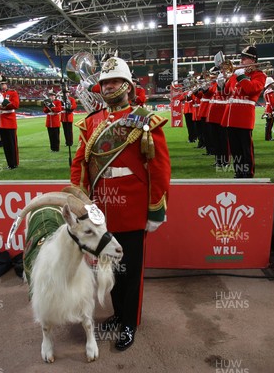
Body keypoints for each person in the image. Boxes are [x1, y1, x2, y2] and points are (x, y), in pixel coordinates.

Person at [70, 56, 170, 351]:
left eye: (115, 81)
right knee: (109, 268)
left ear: (127, 85)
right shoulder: (91, 122)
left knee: (130, 268)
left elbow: (159, 168)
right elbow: (80, 165)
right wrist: (80, 201)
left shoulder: (144, 119)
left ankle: (130, 322)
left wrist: (155, 208)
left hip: (132, 206)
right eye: (105, 82)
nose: (109, 86)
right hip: (101, 207)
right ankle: (117, 314)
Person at [221, 46, 266, 178]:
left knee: (245, 148)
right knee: (235, 149)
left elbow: (251, 89)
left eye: (244, 59)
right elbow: (227, 93)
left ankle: (248, 173)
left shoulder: (259, 75)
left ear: (253, 60)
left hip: (244, 116)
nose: (241, 61)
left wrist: (241, 76)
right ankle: (239, 171)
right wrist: (223, 81)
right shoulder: (237, 74)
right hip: (231, 116)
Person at [0, 75, 20, 169]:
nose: (2, 86)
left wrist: (3, 101)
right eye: (0, 84)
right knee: (6, 145)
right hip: (0, 121)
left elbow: (15, 105)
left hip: (9, 121)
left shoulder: (12, 93)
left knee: (12, 144)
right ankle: (9, 163)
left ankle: (14, 163)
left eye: (3, 84)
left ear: (6, 84)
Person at [263, 77, 274, 141]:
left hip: (268, 108)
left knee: (269, 124)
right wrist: (273, 109)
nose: (273, 84)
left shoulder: (267, 91)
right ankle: (268, 137)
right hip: (270, 109)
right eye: (272, 83)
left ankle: (268, 136)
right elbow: (271, 101)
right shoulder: (269, 92)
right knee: (270, 124)